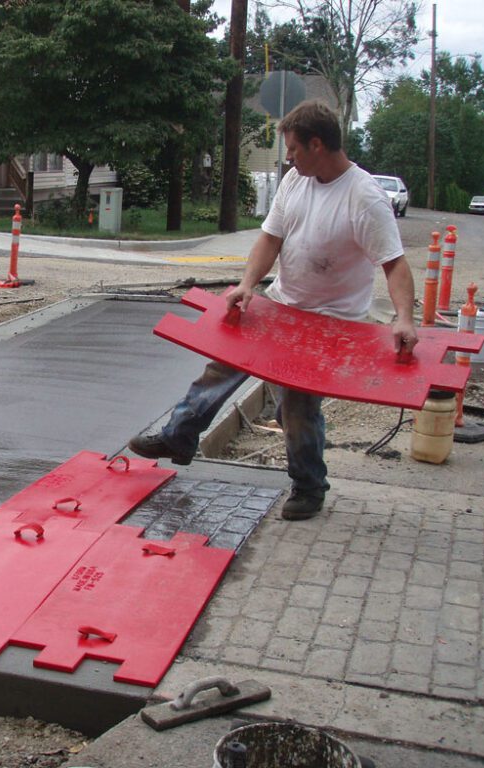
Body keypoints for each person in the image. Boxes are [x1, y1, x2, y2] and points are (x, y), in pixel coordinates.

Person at [128, 99, 417, 521]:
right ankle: (180, 437)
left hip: (330, 323)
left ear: (317, 144)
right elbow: (270, 239)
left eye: (294, 150)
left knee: (297, 406)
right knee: (224, 362)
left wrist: (404, 318)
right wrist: (247, 286)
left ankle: (308, 486)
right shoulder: (296, 182)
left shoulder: (363, 197)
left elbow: (394, 263)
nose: (289, 159)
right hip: (282, 303)